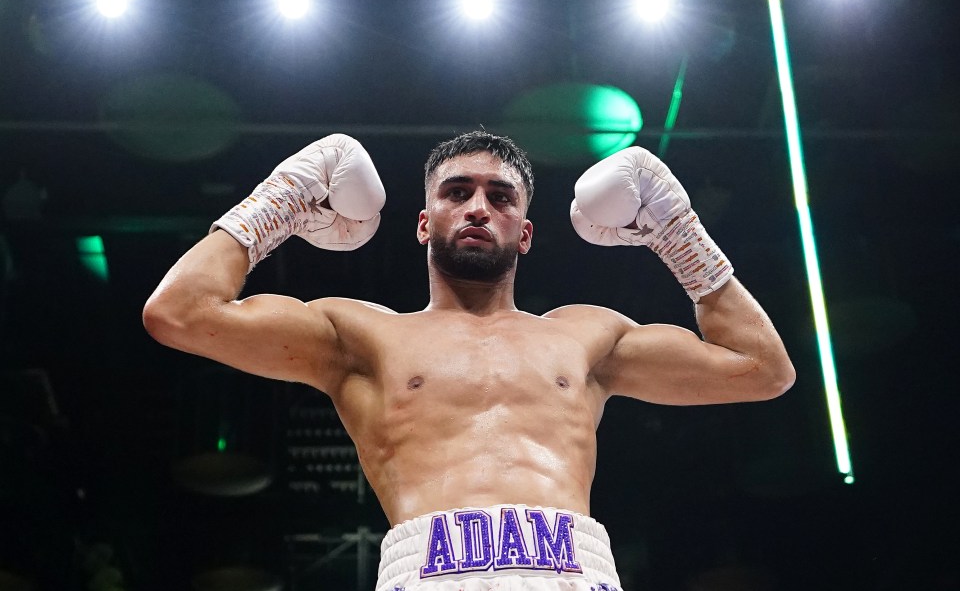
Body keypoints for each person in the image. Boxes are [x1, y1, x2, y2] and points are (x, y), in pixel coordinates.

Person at [143, 131, 795, 591]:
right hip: (429, 570)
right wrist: (282, 199)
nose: (479, 206)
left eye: (502, 196)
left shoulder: (588, 336)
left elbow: (763, 368)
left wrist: (679, 236)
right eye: (457, 192)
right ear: (425, 222)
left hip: (572, 567)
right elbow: (179, 312)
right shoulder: (360, 335)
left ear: (526, 232)